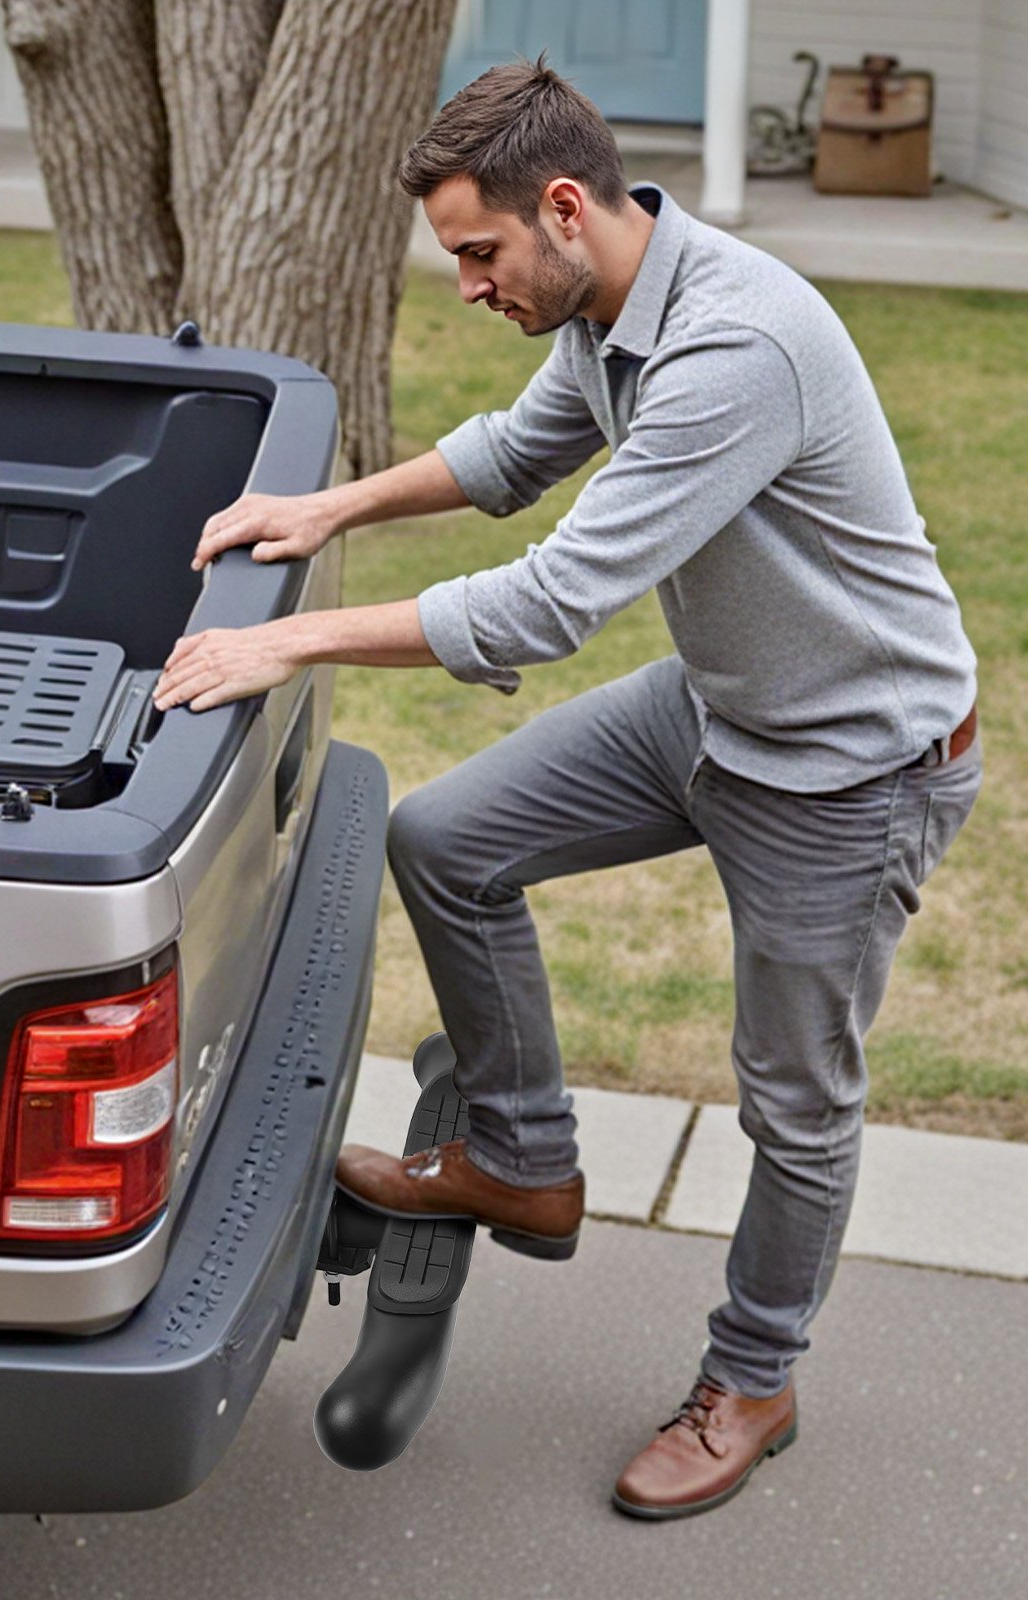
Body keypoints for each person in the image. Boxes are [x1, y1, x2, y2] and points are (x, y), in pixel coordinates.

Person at [150, 58, 980, 1520]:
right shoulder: (612, 305)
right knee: (447, 839)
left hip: (850, 767)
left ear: (563, 207)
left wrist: (284, 637)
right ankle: (523, 1164)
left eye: (479, 254)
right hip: (721, 705)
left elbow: (545, 606)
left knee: (793, 1106)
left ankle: (755, 1377)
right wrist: (325, 504)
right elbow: (513, 455)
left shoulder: (737, 350)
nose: (471, 285)